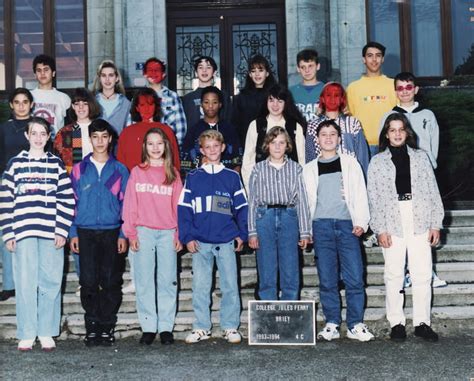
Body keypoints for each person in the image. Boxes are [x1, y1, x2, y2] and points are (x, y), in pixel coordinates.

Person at [0, 117, 75, 351]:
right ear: (27, 136)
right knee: (25, 283)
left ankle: (46, 331)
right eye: (34, 133)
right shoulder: (15, 164)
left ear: (49, 136)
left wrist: (62, 230)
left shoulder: (55, 165)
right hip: (23, 232)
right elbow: (5, 201)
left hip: (50, 232)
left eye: (43, 133)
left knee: (51, 282)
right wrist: (8, 233)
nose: (38, 138)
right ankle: (27, 332)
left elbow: (66, 199)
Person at [367, 113, 444, 342]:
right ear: (386, 134)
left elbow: (433, 191)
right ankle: (397, 322)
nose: (397, 134)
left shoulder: (421, 158)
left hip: (419, 216)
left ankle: (422, 322)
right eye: (392, 130)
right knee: (394, 273)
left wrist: (435, 224)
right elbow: (374, 197)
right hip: (391, 219)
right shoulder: (377, 162)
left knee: (422, 273)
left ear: (407, 132)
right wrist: (379, 228)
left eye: (401, 129)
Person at [303, 120, 375, 342]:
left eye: (332, 134)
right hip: (321, 226)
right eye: (323, 134)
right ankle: (332, 322)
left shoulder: (351, 164)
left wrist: (362, 222)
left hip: (347, 226)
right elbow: (305, 203)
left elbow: (361, 194)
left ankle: (355, 324)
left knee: (354, 277)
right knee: (327, 278)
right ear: (317, 139)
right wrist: (307, 230)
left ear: (339, 138)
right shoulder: (309, 169)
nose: (328, 138)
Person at [178, 130, 248, 344]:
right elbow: (184, 209)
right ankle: (201, 327)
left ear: (223, 147)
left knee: (230, 285)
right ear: (201, 150)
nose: (212, 150)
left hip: (226, 239)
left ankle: (229, 326)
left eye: (216, 146)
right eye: (207, 147)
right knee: (200, 286)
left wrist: (241, 234)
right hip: (200, 242)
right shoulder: (193, 178)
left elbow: (242, 208)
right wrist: (187, 236)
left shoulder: (232, 177)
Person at [380, 72, 446, 288]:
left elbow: (433, 146)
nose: (405, 91)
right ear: (395, 91)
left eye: (409, 87)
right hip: (399, 181)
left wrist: (429, 168)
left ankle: (429, 272)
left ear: (416, 89)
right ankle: (405, 272)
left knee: (424, 229)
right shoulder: (389, 115)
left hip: (423, 177)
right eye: (400, 88)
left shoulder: (428, 114)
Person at [69, 119, 129, 347]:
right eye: (96, 136)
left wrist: (123, 234)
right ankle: (92, 325)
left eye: (105, 136)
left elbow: (127, 206)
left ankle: (107, 325)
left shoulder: (120, 170)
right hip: (85, 231)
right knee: (88, 281)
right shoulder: (79, 170)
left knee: (111, 280)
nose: (100, 141)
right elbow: (71, 203)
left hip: (112, 232)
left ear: (110, 139)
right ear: (90, 139)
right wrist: (73, 231)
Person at [122, 128, 182, 346]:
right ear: (145, 147)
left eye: (159, 143)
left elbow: (179, 207)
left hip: (167, 232)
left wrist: (179, 233)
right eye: (150, 144)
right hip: (144, 231)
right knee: (145, 280)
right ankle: (148, 326)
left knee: (167, 281)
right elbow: (130, 204)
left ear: (165, 146)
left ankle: (166, 327)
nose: (155, 148)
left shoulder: (173, 173)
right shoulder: (137, 172)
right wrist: (131, 233)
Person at [248, 126, 311, 300]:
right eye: (273, 142)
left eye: (281, 142)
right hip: (264, 217)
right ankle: (269, 309)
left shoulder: (296, 169)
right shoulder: (258, 169)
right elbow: (252, 201)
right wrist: (252, 231)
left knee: (290, 265)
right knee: (266, 265)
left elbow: (302, 201)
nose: (277, 146)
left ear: (288, 145)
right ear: (267, 145)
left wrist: (305, 231)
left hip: (289, 217)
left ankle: (289, 306)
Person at [54, 87, 101, 295]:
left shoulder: (100, 129)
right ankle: (85, 279)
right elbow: (58, 164)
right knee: (79, 236)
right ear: (72, 107)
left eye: (84, 103)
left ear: (90, 105)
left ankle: (99, 278)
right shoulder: (65, 133)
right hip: (74, 191)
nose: (81, 107)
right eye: (76, 104)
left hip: (99, 190)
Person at [0, 88, 34, 302]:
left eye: (25, 102)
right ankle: (10, 284)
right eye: (17, 102)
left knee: (30, 233)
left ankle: (30, 282)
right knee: (6, 232)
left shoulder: (38, 126)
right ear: (11, 105)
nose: (21, 106)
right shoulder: (4, 129)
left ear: (31, 104)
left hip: (33, 184)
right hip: (7, 184)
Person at [241, 84, 305, 189]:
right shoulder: (256, 125)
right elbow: (248, 160)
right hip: (262, 185)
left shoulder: (295, 127)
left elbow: (302, 160)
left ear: (286, 103)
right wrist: (251, 189)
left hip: (290, 186)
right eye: (271, 100)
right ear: (266, 102)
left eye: (280, 101)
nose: (275, 105)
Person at [305, 82, 369, 176]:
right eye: (328, 95)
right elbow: (310, 156)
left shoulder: (353, 123)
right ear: (322, 98)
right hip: (323, 175)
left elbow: (362, 156)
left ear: (342, 99)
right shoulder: (313, 125)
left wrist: (363, 180)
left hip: (349, 175)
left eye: (336, 95)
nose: (332, 99)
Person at [346, 41, 397, 158]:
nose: (374, 59)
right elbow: (349, 118)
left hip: (389, 144)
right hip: (362, 145)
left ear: (383, 59)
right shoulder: (353, 87)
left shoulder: (393, 84)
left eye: (378, 56)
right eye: (370, 56)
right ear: (364, 59)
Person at [181, 86, 241, 176]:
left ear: (220, 104)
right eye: (206, 102)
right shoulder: (194, 130)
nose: (210, 106)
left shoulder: (229, 129)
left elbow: (237, 161)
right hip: (200, 179)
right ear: (201, 104)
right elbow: (185, 164)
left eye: (215, 102)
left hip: (225, 180)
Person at [117, 88, 180, 172]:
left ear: (156, 106)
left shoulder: (166, 131)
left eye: (150, 105)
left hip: (160, 183)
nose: (147, 109)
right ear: (137, 108)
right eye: (142, 105)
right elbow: (119, 167)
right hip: (132, 182)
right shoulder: (126, 133)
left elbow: (175, 164)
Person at [231, 54, 277, 146]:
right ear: (250, 74)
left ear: (267, 73)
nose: (257, 74)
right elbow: (236, 125)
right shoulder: (241, 97)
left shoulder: (276, 96)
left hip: (272, 143)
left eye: (260, 70)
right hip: (248, 144)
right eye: (253, 71)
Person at [143, 57, 187, 146]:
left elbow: (181, 128)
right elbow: (131, 126)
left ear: (163, 74)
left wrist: (171, 148)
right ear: (144, 74)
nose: (153, 73)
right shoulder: (138, 98)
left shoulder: (172, 97)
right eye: (150, 70)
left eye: (157, 70)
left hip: (168, 148)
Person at [182, 56, 232, 128]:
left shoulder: (223, 96)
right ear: (196, 73)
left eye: (208, 67)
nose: (204, 70)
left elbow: (228, 122)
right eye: (200, 67)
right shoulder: (187, 99)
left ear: (214, 73)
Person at [31, 54, 71, 137]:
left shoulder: (64, 98)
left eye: (46, 70)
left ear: (53, 73)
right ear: (35, 75)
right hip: (32, 144)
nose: (42, 73)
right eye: (39, 70)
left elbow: (71, 127)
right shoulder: (28, 96)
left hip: (56, 144)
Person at [92, 60, 131, 136]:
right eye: (103, 75)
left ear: (117, 78)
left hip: (119, 146)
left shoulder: (126, 103)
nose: (107, 79)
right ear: (99, 78)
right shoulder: (92, 102)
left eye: (111, 75)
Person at [289, 48, 325, 124]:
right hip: (299, 134)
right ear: (298, 69)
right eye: (303, 67)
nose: (307, 70)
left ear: (318, 66)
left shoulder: (326, 89)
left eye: (310, 66)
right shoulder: (291, 92)